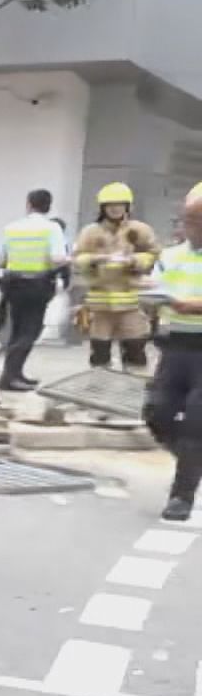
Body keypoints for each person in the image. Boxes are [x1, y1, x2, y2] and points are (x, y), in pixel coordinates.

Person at [145, 194, 202, 521]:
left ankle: (181, 496)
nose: (189, 228)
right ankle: (193, 460)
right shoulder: (171, 256)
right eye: (187, 220)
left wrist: (191, 305)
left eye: (196, 222)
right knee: (157, 413)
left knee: (196, 423)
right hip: (175, 345)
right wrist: (148, 297)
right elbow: (156, 289)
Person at [74, 183, 159, 370]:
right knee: (100, 352)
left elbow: (153, 253)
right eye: (110, 205)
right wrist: (97, 259)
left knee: (135, 349)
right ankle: (99, 389)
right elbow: (78, 257)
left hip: (131, 301)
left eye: (120, 204)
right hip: (99, 302)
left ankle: (132, 391)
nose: (115, 208)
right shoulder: (90, 231)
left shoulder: (139, 230)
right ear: (102, 208)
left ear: (127, 206)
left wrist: (134, 260)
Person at [0, 189, 71, 391]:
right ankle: (10, 377)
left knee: (17, 329)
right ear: (48, 206)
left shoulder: (12, 228)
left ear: (28, 204)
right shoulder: (52, 228)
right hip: (37, 285)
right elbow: (57, 259)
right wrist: (71, 259)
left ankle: (13, 374)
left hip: (13, 284)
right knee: (30, 331)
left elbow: (0, 260)